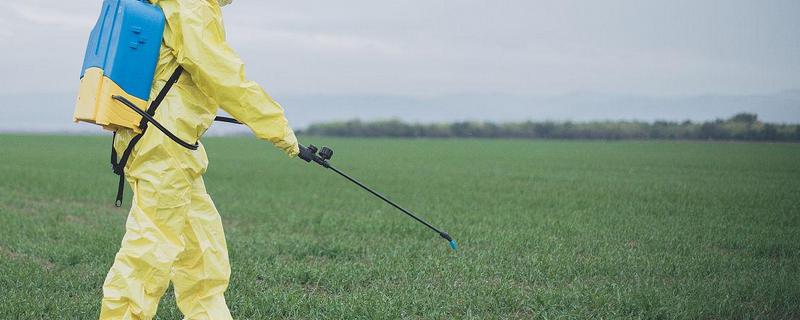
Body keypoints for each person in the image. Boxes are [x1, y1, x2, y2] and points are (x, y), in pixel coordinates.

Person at [99, 0, 299, 319]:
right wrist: (278, 128)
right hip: (162, 143)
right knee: (149, 251)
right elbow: (221, 74)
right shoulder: (189, 6)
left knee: (202, 251)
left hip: (169, 143)